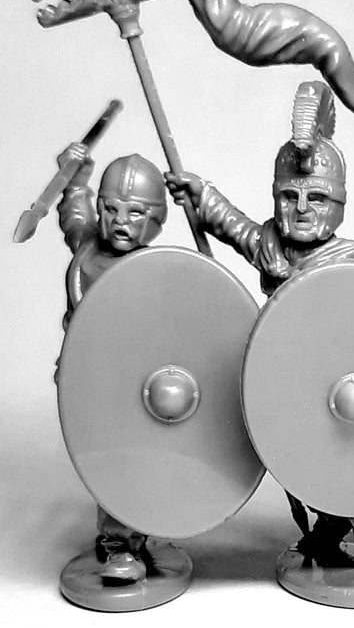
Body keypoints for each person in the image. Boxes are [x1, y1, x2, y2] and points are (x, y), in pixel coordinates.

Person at [165, 81, 354, 584]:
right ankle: (329, 532)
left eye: (317, 197)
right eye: (289, 196)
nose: (302, 208)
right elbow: (236, 227)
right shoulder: (272, 245)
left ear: (339, 204)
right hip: (294, 382)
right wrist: (201, 196)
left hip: (344, 385)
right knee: (305, 464)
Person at [57, 144, 168, 583]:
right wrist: (76, 177)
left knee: (130, 463)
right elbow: (74, 216)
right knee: (105, 463)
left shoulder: (156, 271)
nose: (121, 221)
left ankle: (126, 545)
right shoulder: (87, 249)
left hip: (137, 388)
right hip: (87, 381)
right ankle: (122, 542)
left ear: (156, 219)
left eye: (136, 212)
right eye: (111, 209)